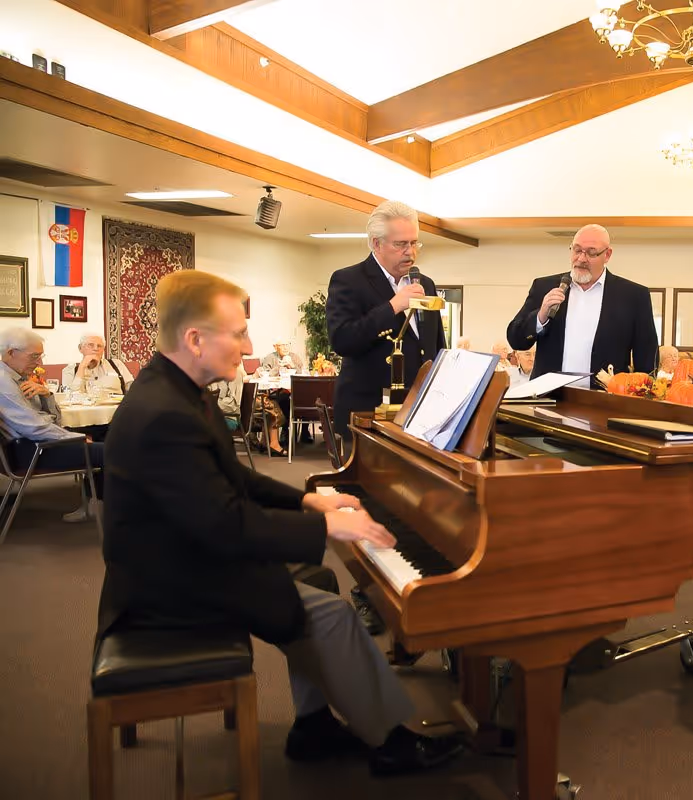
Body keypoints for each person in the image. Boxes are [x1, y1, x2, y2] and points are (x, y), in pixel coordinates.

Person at [96, 271, 462, 776]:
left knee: (318, 580)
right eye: (239, 333)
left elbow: (236, 482)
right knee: (329, 615)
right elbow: (226, 526)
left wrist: (310, 505)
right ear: (195, 339)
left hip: (180, 556)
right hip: (167, 585)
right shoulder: (164, 414)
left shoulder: (178, 389)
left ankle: (312, 726)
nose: (248, 346)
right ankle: (392, 743)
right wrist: (327, 530)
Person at [326, 200, 447, 438]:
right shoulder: (349, 280)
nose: (410, 252)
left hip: (419, 416)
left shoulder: (425, 283)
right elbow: (342, 340)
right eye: (400, 244)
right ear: (376, 244)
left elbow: (435, 346)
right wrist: (392, 307)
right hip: (367, 414)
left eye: (414, 243)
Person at [506, 224, 657, 381]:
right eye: (577, 250)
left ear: (607, 255)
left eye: (591, 253)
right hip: (549, 399)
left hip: (606, 400)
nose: (581, 259)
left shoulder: (633, 296)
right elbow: (515, 339)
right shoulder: (545, 286)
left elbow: (647, 359)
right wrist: (540, 316)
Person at [0, 327, 104, 522]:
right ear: (11, 353)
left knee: (104, 437)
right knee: (113, 451)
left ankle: (96, 505)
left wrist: (46, 395)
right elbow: (35, 428)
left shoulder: (19, 379)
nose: (39, 363)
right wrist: (78, 439)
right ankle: (118, 511)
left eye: (41, 356)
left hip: (36, 443)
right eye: (34, 357)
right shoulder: (4, 383)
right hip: (32, 451)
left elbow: (55, 420)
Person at [62, 333, 135, 394]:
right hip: (87, 410)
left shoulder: (116, 364)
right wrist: (82, 367)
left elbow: (132, 387)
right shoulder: (69, 370)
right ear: (80, 348)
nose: (96, 349)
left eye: (99, 346)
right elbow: (69, 396)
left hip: (116, 408)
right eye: (90, 345)